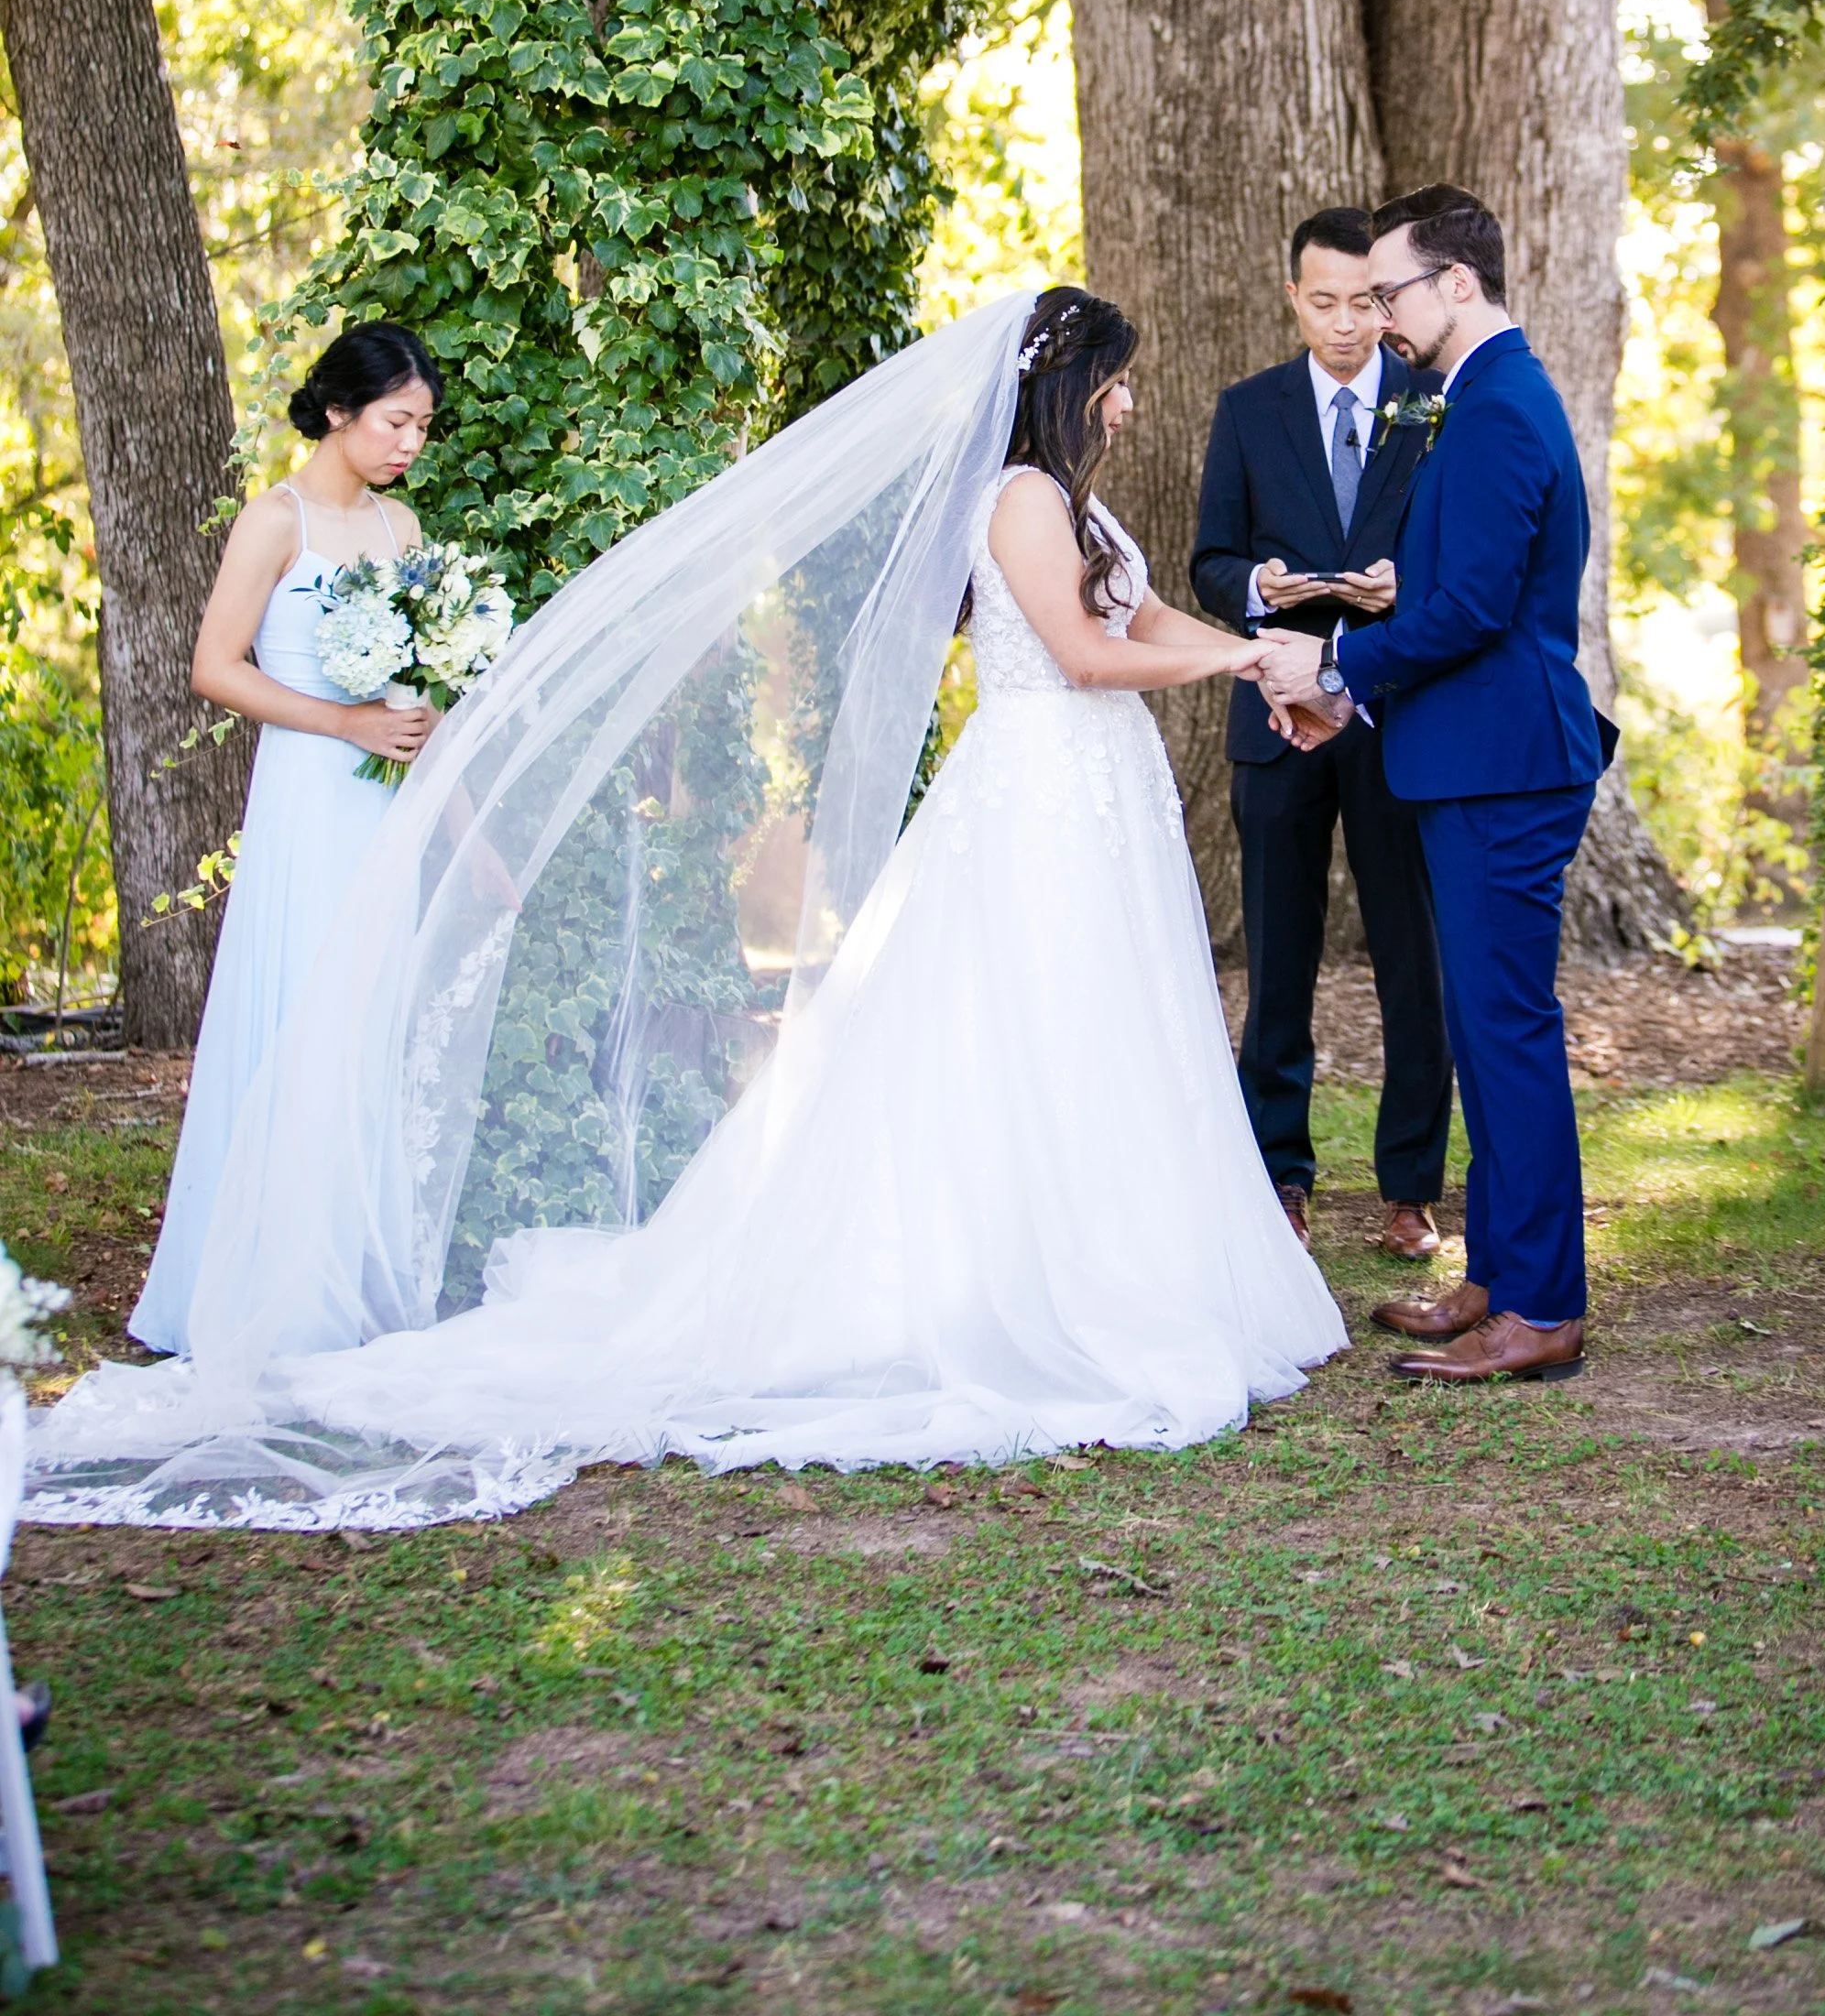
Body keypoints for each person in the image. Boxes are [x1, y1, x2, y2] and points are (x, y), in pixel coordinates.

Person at [37, 288, 1344, 1528]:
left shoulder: (1077, 507)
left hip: (1096, 800)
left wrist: (1263, 661)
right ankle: (1020, 1276)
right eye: (1113, 384)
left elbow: (1143, 610)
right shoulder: (1017, 502)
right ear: (1066, 386)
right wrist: (1244, 660)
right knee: (1017, 1032)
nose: (1126, 405)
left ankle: (1129, 1254)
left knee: (1110, 1030)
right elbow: (1080, 654)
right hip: (1038, 799)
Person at [1255, 189, 1616, 1386]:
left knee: (1508, 1034)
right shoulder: (1476, 401)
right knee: (1481, 1026)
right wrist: (1342, 701)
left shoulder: (1506, 406)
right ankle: (1502, 1279)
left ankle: (1546, 1307)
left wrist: (1337, 666)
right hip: (1470, 757)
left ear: (1458, 283)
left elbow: (1467, 610)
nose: (1378, 315)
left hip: (1508, 767)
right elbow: (1441, 587)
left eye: (1393, 292)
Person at [128, 324, 443, 1356]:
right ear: (342, 410)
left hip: (383, 797)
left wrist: (418, 738)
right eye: (397, 421)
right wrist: (345, 721)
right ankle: (262, 1282)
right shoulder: (278, 521)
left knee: (365, 1020)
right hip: (311, 792)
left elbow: (418, 673)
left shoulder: (401, 528)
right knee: (301, 1006)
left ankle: (345, 1268)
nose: (410, 444)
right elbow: (216, 668)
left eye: (423, 428)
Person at [1191, 207, 1450, 1258]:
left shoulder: (1435, 404)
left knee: (1411, 956)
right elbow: (1210, 559)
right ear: (1294, 297)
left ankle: (1411, 1188)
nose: (1347, 324)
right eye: (1326, 301)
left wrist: (1404, 587)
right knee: (1279, 955)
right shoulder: (1247, 410)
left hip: (1398, 717)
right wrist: (1258, 582)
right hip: (1279, 718)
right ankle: (1279, 1178)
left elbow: (1463, 556)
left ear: (1387, 303)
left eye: (1366, 301)